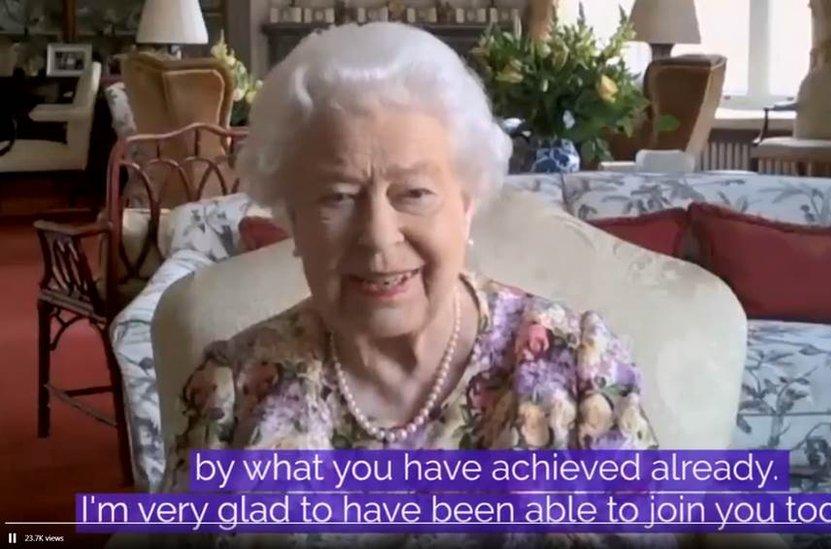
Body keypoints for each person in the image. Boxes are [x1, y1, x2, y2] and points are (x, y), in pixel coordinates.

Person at [162, 22, 671, 548]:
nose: (379, 239)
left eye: (414, 193)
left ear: (467, 203)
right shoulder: (236, 390)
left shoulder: (576, 368)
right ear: (293, 218)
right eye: (337, 197)